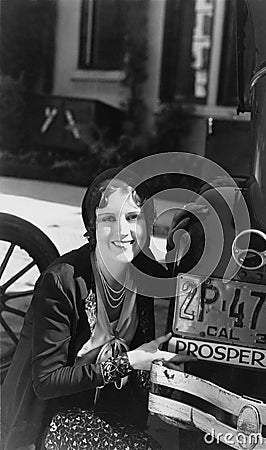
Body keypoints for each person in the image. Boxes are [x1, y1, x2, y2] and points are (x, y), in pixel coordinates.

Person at [1, 168, 194, 450]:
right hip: (52, 421)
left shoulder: (142, 270)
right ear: (91, 226)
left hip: (113, 416)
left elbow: (188, 279)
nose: (123, 231)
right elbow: (46, 382)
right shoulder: (63, 281)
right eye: (107, 219)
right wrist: (129, 362)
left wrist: (200, 221)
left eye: (132, 217)